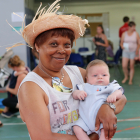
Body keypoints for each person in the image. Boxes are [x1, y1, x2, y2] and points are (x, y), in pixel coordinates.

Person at [8, 0, 127, 139]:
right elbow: (43, 137)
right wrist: (92, 137)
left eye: (67, 45)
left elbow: (121, 97)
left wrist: (107, 107)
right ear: (37, 46)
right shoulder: (32, 87)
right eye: (53, 44)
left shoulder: (79, 73)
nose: (61, 50)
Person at [72, 60, 123, 140]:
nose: (100, 77)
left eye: (104, 75)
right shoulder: (85, 86)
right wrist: (78, 93)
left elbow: (120, 91)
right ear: (87, 79)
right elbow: (74, 94)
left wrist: (114, 94)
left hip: (102, 120)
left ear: (109, 76)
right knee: (76, 128)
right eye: (95, 75)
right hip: (85, 120)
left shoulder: (110, 86)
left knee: (104, 130)